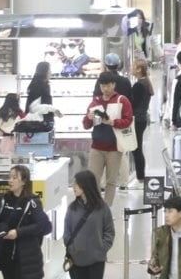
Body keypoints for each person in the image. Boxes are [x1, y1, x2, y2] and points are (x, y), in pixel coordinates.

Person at [82, 70, 134, 206]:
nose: (105, 89)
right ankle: (95, 207)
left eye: (108, 86)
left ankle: (107, 209)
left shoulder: (122, 100)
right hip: (97, 147)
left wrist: (113, 122)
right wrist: (88, 118)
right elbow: (85, 125)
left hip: (114, 147)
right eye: (102, 86)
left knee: (111, 181)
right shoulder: (95, 103)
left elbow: (128, 121)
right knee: (93, 180)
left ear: (114, 85)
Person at [0, 166, 52, 279]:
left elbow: (41, 226)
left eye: (14, 177)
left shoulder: (32, 201)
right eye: (9, 177)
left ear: (23, 181)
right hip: (7, 255)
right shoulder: (4, 199)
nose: (10, 180)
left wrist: (18, 232)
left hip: (26, 258)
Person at [62, 170, 114, 279]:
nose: (73, 186)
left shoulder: (102, 208)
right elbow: (67, 232)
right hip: (75, 260)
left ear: (85, 185)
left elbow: (109, 231)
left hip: (96, 261)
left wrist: (101, 249)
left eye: (76, 184)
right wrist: (72, 248)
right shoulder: (72, 208)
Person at [130, 58, 154, 183]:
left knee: (136, 149)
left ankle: (140, 175)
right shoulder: (145, 83)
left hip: (137, 119)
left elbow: (133, 103)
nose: (131, 68)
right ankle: (140, 175)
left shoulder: (139, 85)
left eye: (133, 66)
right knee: (137, 147)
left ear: (139, 69)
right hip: (142, 118)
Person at [24, 61, 62, 126]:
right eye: (49, 70)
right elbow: (33, 107)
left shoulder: (42, 84)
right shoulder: (38, 86)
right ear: (44, 71)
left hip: (43, 123)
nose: (51, 72)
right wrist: (53, 109)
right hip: (39, 125)